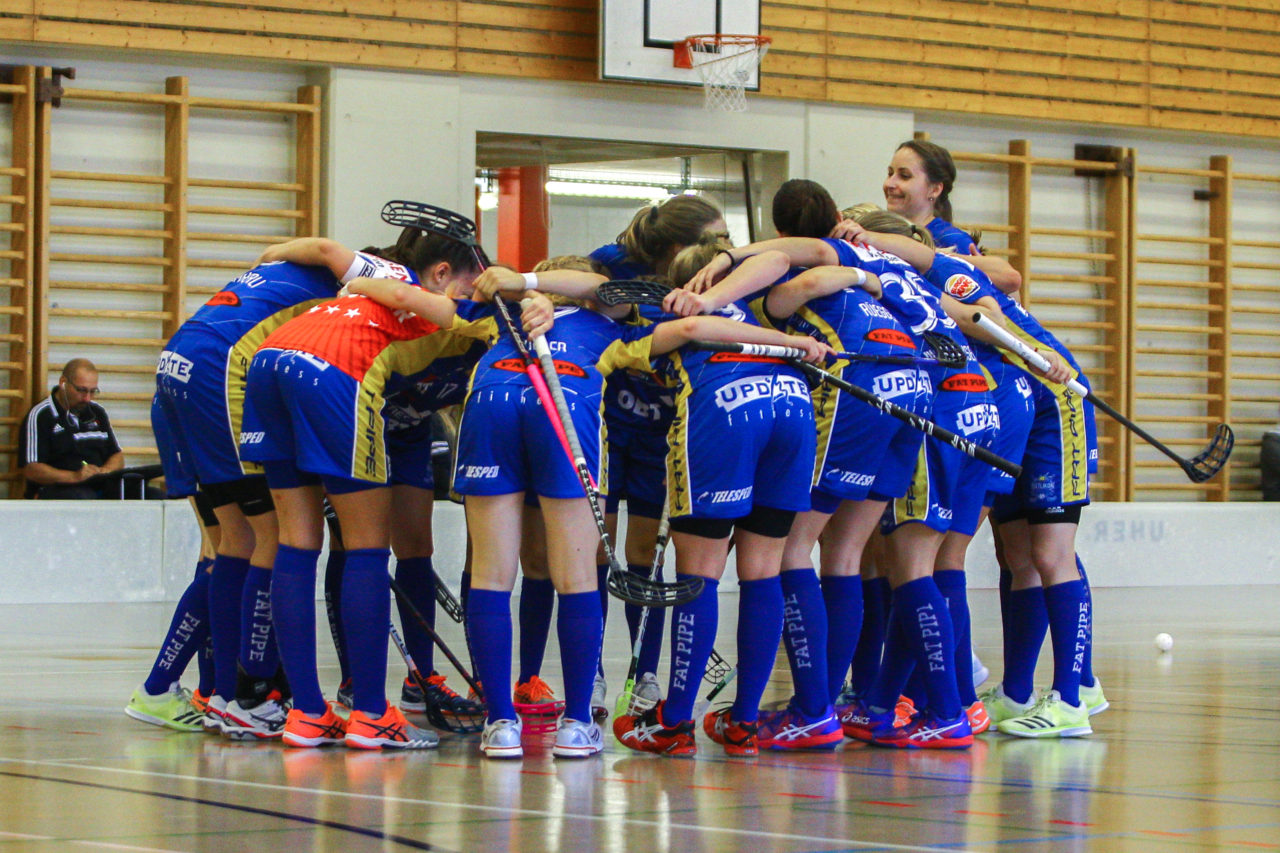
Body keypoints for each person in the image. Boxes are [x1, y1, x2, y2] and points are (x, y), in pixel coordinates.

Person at [611, 238, 834, 758]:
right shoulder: (762, 308)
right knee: (763, 571)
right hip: (793, 409)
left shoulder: (674, 307)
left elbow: (688, 329)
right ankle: (745, 722)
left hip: (725, 410)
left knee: (699, 574)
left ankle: (675, 721)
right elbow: (778, 260)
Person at [588, 195, 728, 715]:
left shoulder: (718, 273)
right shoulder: (613, 260)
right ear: (674, 244)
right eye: (712, 236)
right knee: (596, 552)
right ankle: (592, 672)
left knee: (645, 554)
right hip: (606, 426)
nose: (723, 247)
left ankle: (645, 672)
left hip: (659, 433)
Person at [883, 139, 1021, 293]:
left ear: (934, 190)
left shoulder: (952, 241)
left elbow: (1008, 293)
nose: (890, 183)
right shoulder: (883, 233)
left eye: (904, 176)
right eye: (890, 173)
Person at [19, 359, 134, 500]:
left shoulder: (97, 412)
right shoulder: (41, 415)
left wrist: (105, 472)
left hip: (97, 487)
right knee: (84, 498)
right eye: (81, 390)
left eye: (93, 391)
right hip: (57, 489)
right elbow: (31, 469)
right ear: (63, 383)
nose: (87, 398)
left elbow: (117, 456)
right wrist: (74, 477)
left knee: (150, 494)